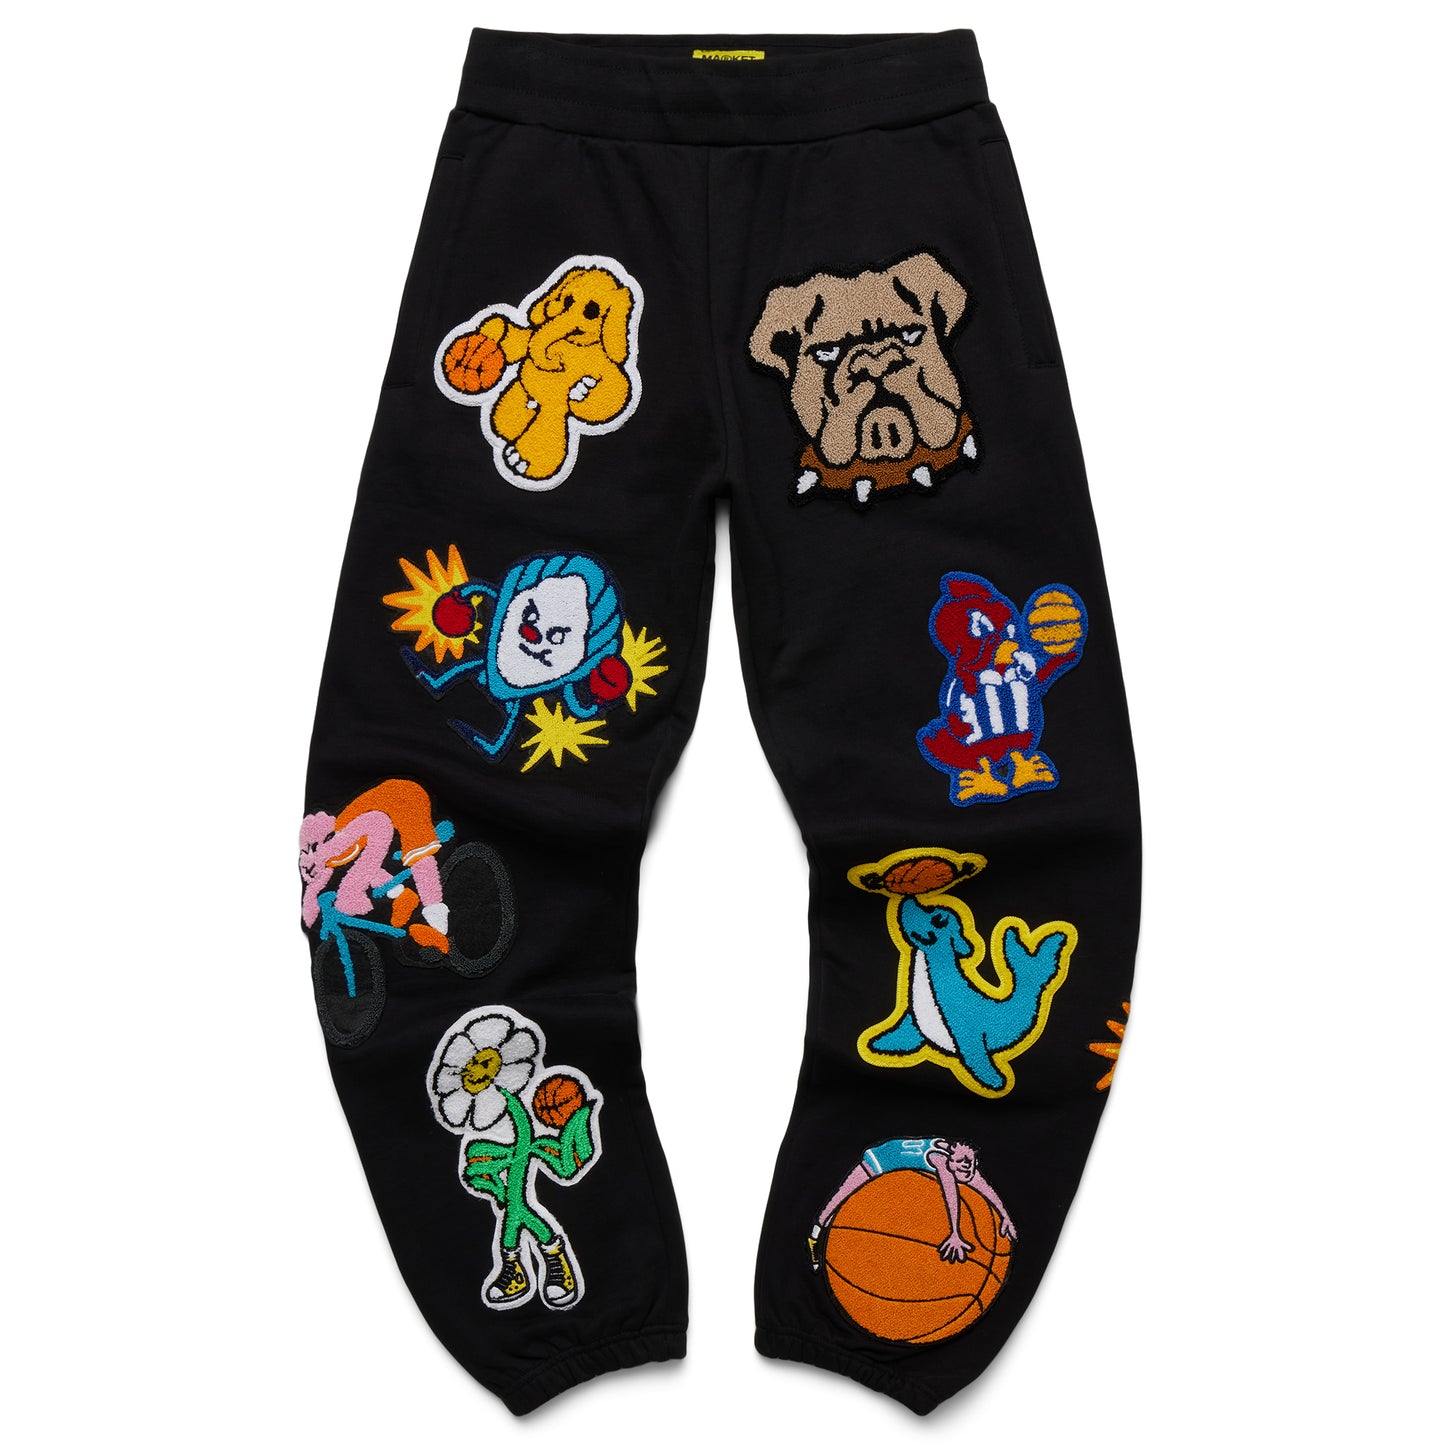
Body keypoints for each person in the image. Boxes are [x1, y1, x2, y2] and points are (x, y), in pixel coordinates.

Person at [809, 1137, 1016, 1268]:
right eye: (961, 1165)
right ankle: (815, 1235)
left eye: (970, 1166)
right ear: (951, 1160)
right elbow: (950, 1194)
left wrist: (1005, 1216)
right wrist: (955, 1232)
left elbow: (982, 1186)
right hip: (883, 1158)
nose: (967, 1170)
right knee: (841, 1196)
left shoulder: (963, 1162)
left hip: (899, 1170)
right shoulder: (941, 1160)